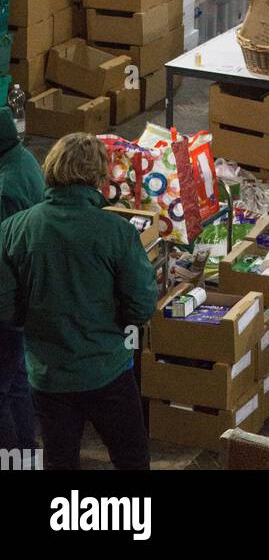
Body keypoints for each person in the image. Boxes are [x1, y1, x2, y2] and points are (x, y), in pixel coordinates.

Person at [0, 132, 158, 471]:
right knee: (131, 459)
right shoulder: (117, 232)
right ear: (99, 177)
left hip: (48, 375)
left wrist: (37, 322)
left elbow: (4, 305)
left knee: (60, 460)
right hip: (107, 370)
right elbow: (142, 304)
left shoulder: (14, 229)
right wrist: (113, 322)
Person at [0, 105, 44, 459]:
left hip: (8, 301)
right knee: (15, 381)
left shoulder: (6, 186)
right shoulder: (25, 160)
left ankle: (11, 456)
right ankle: (26, 454)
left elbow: (6, 247)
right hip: (24, 298)